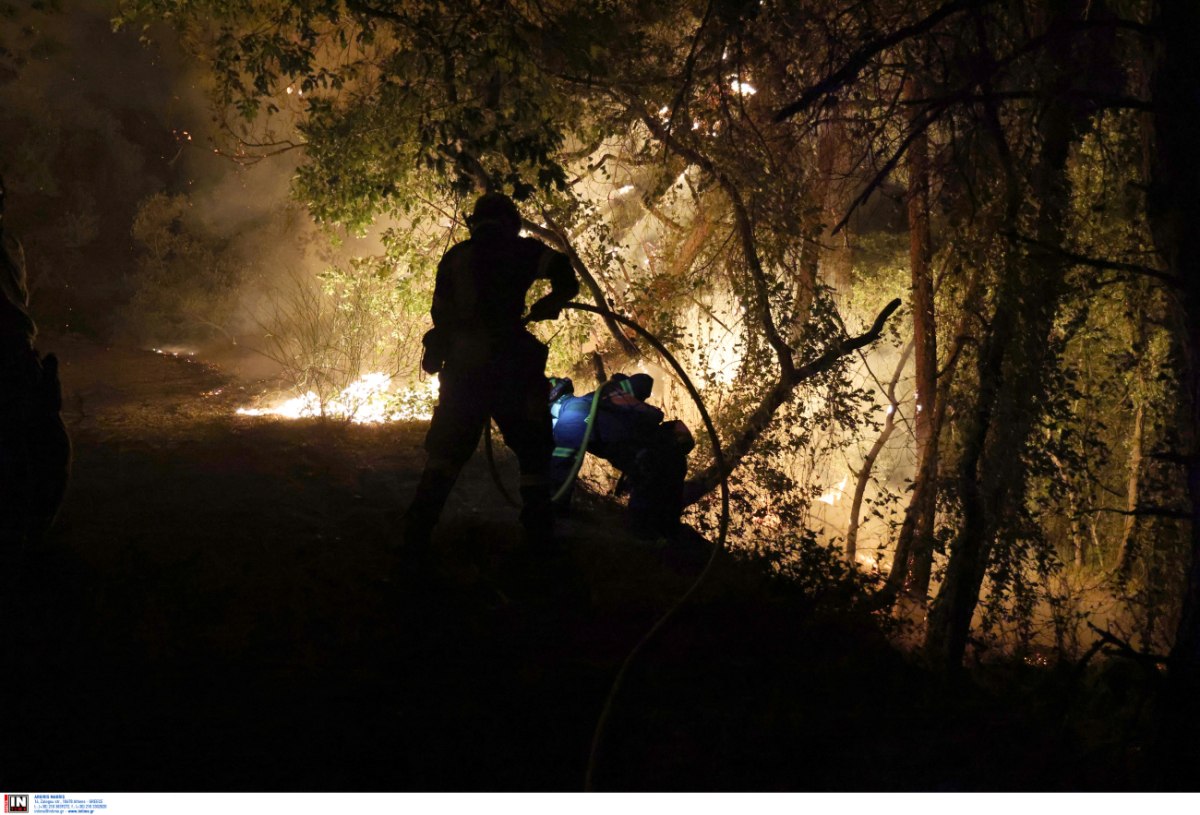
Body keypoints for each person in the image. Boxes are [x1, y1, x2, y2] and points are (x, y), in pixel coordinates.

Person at [399, 192, 578, 564]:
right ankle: (540, 542)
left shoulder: (456, 258)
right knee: (533, 451)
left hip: (465, 370)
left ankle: (415, 537)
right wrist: (552, 301)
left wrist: (438, 350)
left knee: (446, 455)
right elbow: (564, 271)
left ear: (473, 223)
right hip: (511, 367)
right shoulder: (522, 251)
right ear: (510, 222)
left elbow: (441, 317)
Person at [0, 176, 70, 551]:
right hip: (12, 356)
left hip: (14, 354)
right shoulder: (8, 243)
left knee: (44, 448)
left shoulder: (9, 243)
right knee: (44, 448)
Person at [549, 372, 694, 539]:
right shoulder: (597, 396)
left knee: (644, 538)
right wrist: (619, 382)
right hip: (672, 457)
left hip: (652, 470)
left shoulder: (567, 422)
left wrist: (552, 508)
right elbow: (643, 381)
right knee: (669, 530)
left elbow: (562, 473)